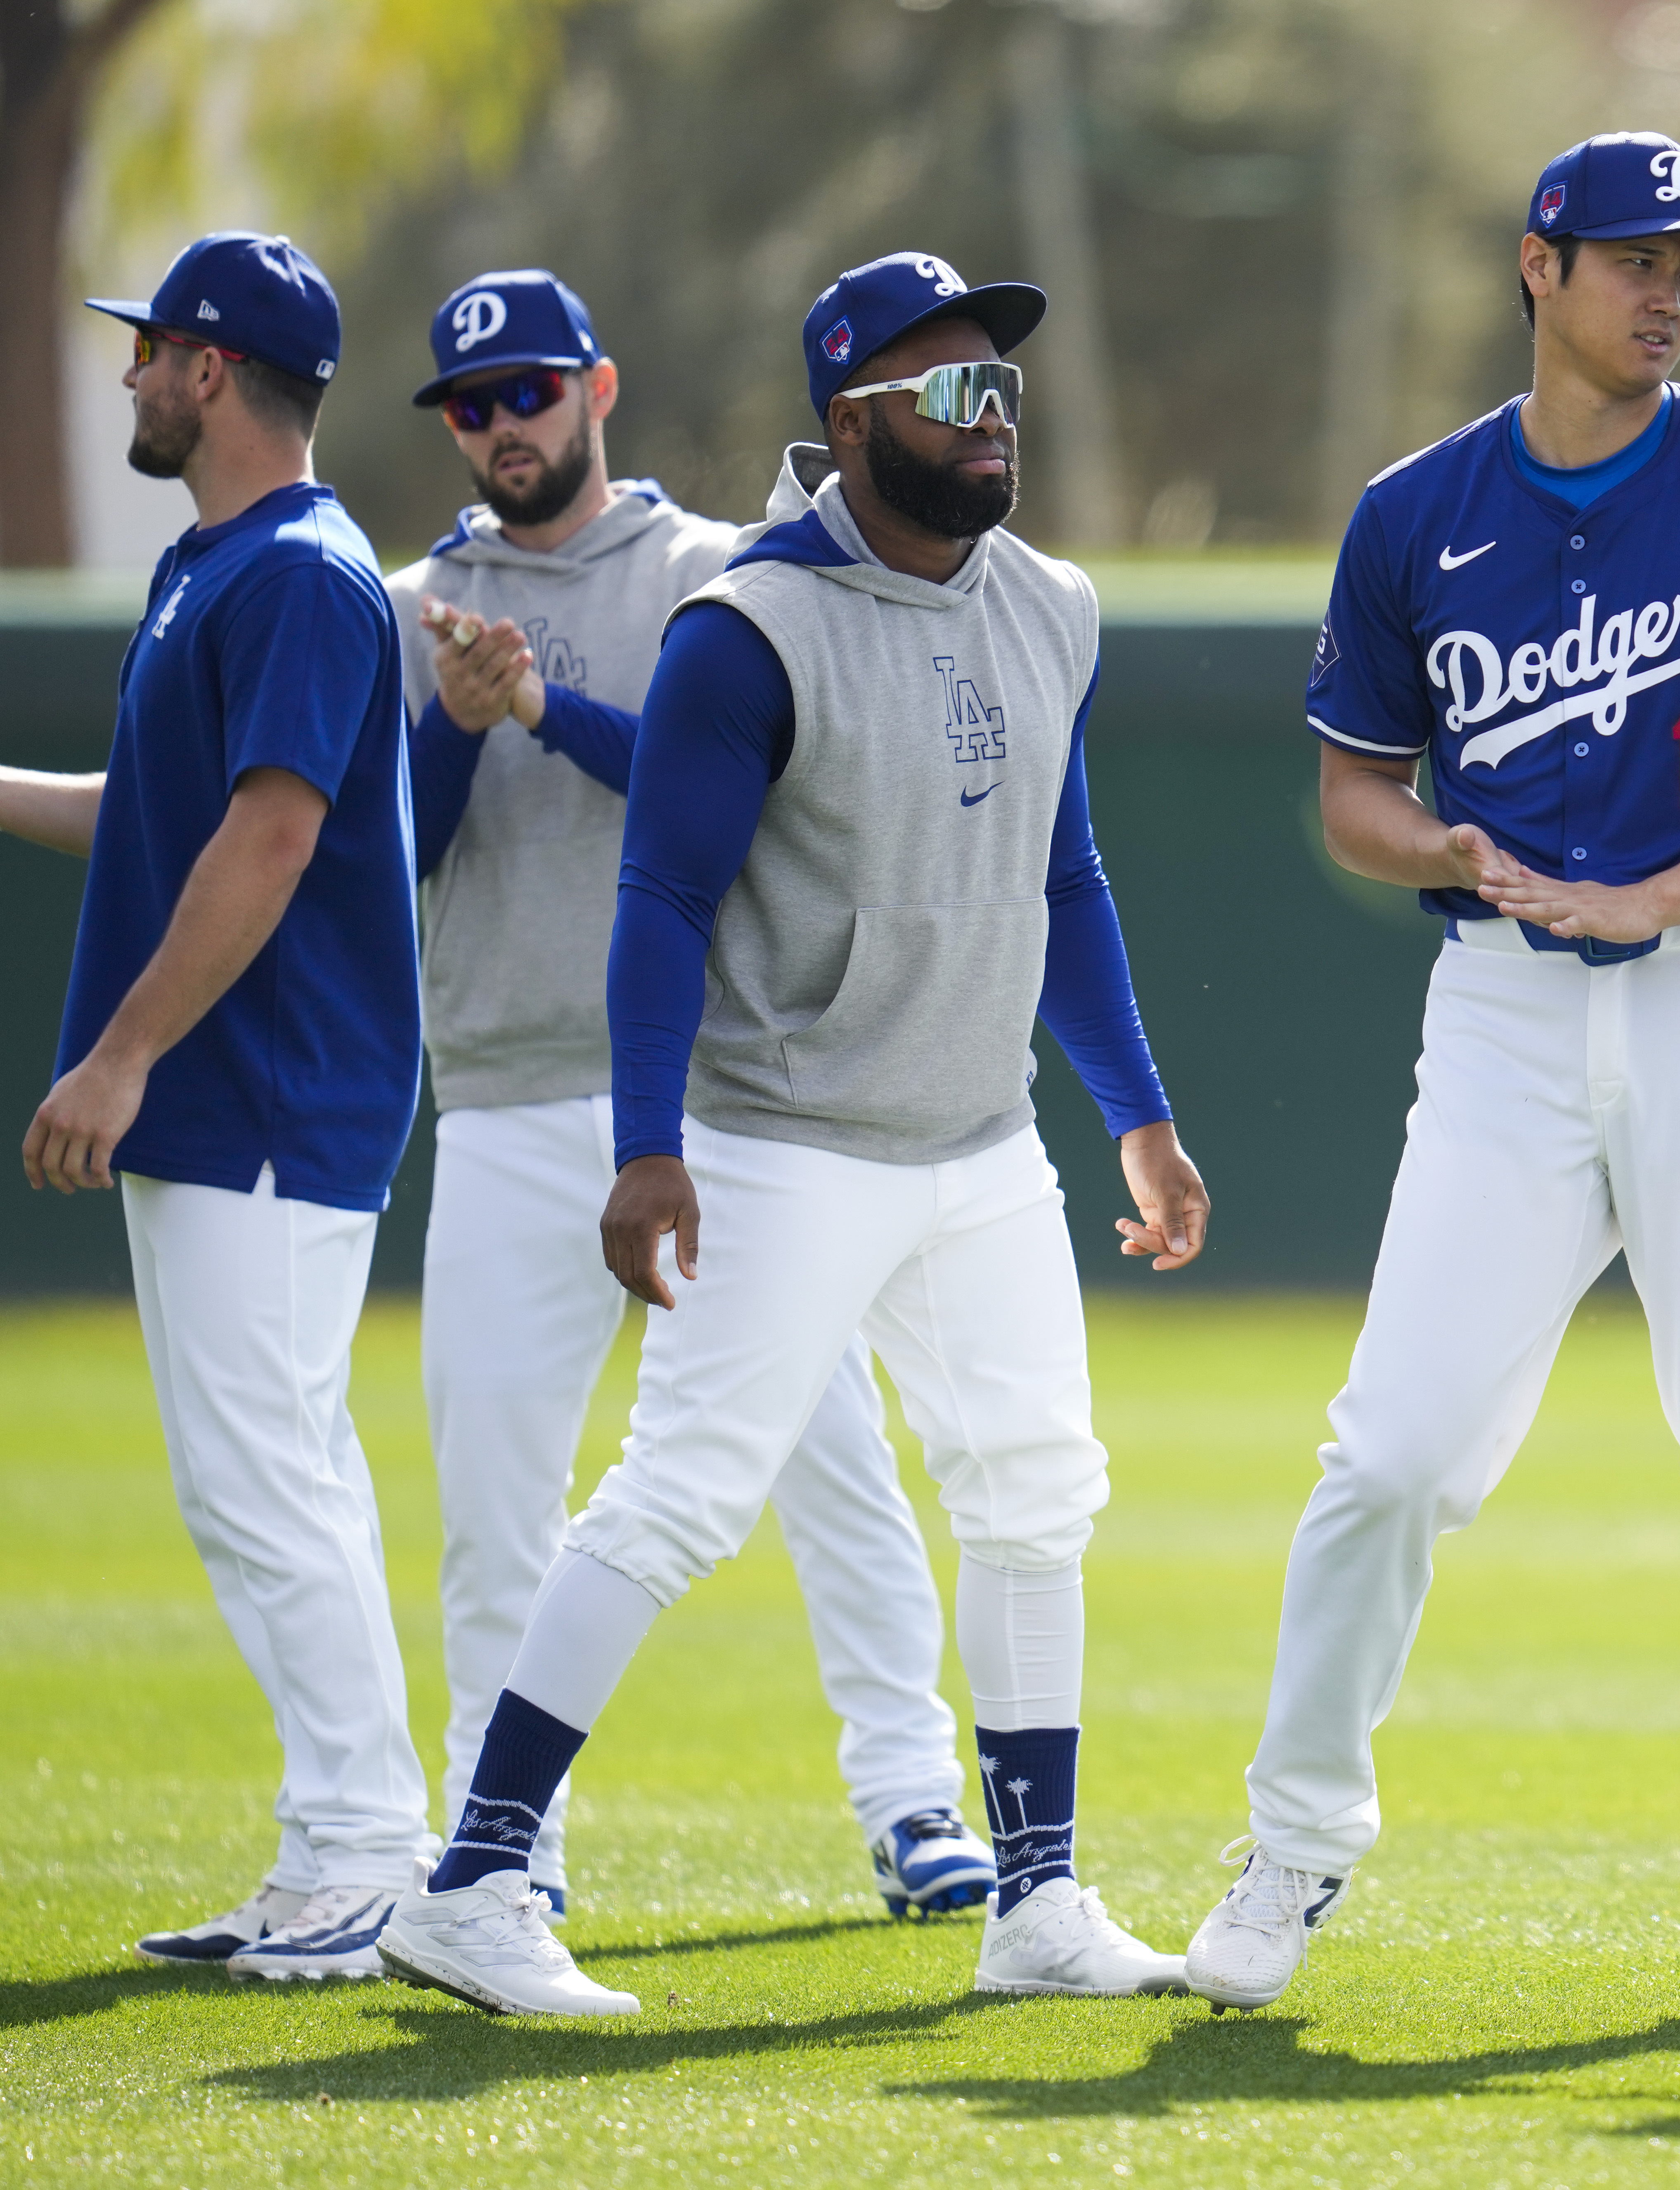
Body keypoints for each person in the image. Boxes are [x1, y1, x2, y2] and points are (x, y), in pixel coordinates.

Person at [376, 250, 1209, 2015]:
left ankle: (1038, 1902)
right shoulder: (745, 625)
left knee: (1037, 1494)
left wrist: (1137, 1112)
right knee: (676, 1499)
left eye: (1006, 387)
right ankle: (471, 1885)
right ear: (852, 422)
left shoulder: (1050, 599)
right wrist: (651, 1146)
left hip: (981, 1142)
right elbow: (664, 897)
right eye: (953, 389)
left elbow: (1065, 875)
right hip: (789, 1137)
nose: (994, 421)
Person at [1181, 130, 1680, 2026]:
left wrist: (1668, 887)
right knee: (1392, 1451)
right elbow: (1354, 788)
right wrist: (1435, 847)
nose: (1669, 293)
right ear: (1540, 266)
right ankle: (1290, 1842)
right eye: (1633, 260)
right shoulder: (1416, 508)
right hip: (1506, 1016)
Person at [388, 266, 996, 1926]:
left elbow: (716, 809)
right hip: (512, 1089)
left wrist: (540, 707)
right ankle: (506, 1858)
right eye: (469, 405)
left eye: (527, 390)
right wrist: (455, 729)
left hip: (724, 1094)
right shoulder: (414, 598)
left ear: (596, 385)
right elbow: (397, 858)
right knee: (499, 1490)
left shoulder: (719, 571)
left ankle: (913, 1805)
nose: (501, 424)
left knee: (832, 1462)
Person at [0, 234, 428, 1980]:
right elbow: (168, 814)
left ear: (212, 369)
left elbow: (270, 843)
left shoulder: (306, 575)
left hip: (269, 1091)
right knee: (266, 1479)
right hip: (234, 1098)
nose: (127, 374)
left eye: (150, 348)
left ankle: (365, 1860)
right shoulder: (221, 566)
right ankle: (334, 1845)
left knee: (267, 1482)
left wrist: (122, 1054)